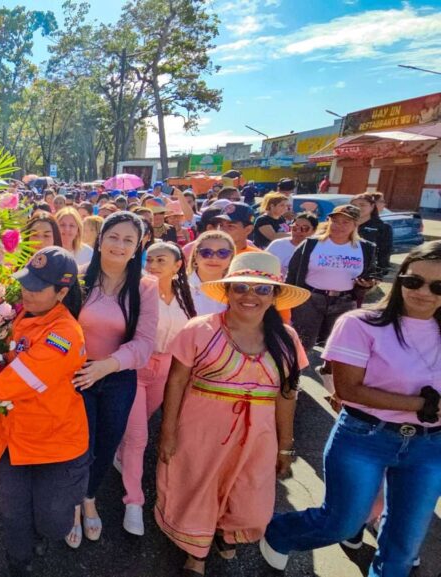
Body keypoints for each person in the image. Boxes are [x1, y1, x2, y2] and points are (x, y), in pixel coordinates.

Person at [261, 241, 441, 577]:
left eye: (438, 286)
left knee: (404, 546)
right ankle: (280, 531)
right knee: (341, 524)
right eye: (414, 281)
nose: (424, 292)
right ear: (400, 279)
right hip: (365, 437)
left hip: (431, 446)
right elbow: (348, 389)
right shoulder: (361, 323)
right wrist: (425, 405)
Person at [157, 252, 309, 576]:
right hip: (202, 426)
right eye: (240, 287)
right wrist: (168, 433)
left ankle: (225, 529)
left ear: (275, 295)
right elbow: (177, 380)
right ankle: (197, 552)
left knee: (252, 500)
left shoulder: (287, 340)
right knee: (199, 487)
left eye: (261, 289)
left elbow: (287, 393)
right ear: (227, 293)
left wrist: (286, 445)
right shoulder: (200, 328)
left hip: (260, 434)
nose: (249, 296)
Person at [0, 246, 90, 577]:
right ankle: (19, 562)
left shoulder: (64, 334)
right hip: (8, 439)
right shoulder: (20, 313)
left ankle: (42, 534)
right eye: (26, 283)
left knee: (53, 521)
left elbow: (10, 385)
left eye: (38, 288)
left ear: (62, 292)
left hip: (54, 444)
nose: (27, 291)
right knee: (13, 514)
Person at [70, 211, 158, 546]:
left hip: (118, 376)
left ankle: (89, 497)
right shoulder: (79, 278)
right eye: (113, 237)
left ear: (137, 247)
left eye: (128, 240)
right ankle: (73, 505)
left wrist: (108, 365)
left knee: (107, 444)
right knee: (81, 445)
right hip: (79, 375)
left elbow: (145, 344)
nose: (119, 245)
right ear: (100, 239)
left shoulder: (144, 287)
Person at [116, 242, 196, 536]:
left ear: (178, 265)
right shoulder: (135, 291)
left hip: (167, 371)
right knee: (140, 437)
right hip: (135, 368)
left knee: (139, 427)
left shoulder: (188, 296)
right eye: (149, 259)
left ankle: (121, 454)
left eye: (161, 260)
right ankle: (134, 501)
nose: (152, 265)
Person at [286, 205, 378, 350]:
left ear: (356, 224)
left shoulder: (366, 248)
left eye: (345, 222)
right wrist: (290, 300)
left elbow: (371, 274)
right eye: (335, 221)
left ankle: (328, 372)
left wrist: (367, 284)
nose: (338, 226)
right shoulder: (312, 243)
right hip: (311, 300)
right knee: (301, 345)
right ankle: (293, 372)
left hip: (345, 302)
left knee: (338, 347)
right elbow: (292, 272)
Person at [187, 231, 236, 316]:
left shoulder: (238, 289)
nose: (214, 258)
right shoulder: (176, 287)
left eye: (222, 253)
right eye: (206, 252)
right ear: (195, 255)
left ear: (231, 257)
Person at [352, 192, 394, 280]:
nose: (358, 208)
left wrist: (379, 274)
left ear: (372, 206)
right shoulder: (345, 224)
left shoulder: (382, 227)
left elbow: (385, 251)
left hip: (366, 273)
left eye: (362, 205)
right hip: (344, 268)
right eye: (354, 205)